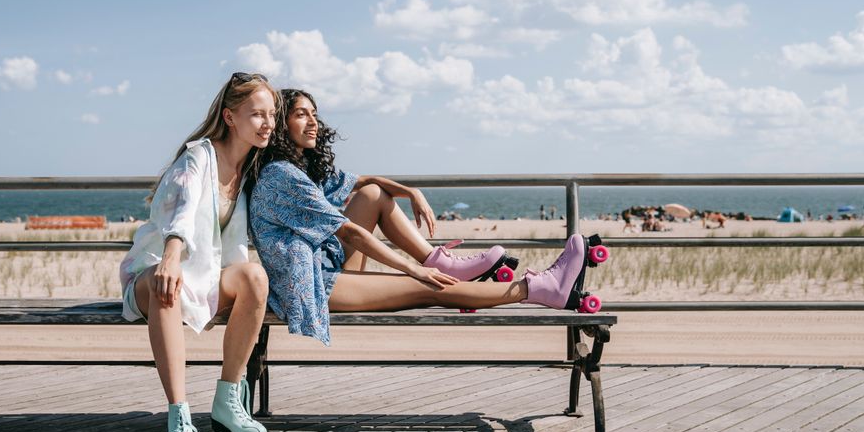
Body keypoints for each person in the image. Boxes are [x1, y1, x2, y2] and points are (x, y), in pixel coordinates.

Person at [246, 88, 604, 348]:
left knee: (374, 195)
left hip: (323, 267)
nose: (314, 123)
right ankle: (541, 289)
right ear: (282, 125)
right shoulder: (282, 176)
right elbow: (352, 233)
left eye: (314, 113)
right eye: (301, 114)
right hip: (309, 288)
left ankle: (441, 261)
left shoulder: (301, 167)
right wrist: (411, 269)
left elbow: (364, 184)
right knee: (428, 287)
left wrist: (410, 192)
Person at [119, 72, 277, 432]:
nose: (267, 123)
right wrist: (171, 256)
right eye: (257, 114)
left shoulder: (249, 170)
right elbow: (182, 212)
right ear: (230, 116)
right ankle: (179, 423)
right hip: (153, 271)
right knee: (164, 285)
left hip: (203, 277)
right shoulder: (198, 158)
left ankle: (228, 400)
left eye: (271, 115)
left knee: (255, 277)